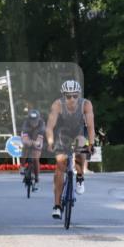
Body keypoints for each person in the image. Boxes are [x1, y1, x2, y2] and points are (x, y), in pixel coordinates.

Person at [46, 80, 96, 219]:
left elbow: (91, 127)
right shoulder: (57, 105)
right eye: (68, 96)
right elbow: (50, 127)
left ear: (78, 95)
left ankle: (80, 177)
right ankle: (57, 206)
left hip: (79, 131)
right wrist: (50, 142)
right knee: (60, 164)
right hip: (63, 133)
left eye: (75, 96)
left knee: (81, 148)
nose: (72, 99)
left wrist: (91, 144)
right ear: (63, 96)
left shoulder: (86, 104)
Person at [19, 109, 46, 191]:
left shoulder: (42, 124)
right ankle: (22, 166)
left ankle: (37, 178)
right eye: (32, 120)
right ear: (29, 119)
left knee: (36, 158)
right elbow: (25, 136)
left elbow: (40, 137)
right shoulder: (26, 123)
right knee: (25, 148)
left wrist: (37, 143)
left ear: (39, 119)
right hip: (28, 136)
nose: (33, 122)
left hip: (37, 137)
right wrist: (27, 142)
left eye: (35, 120)